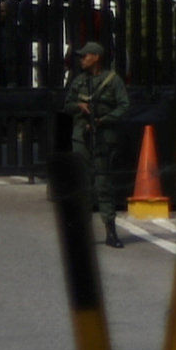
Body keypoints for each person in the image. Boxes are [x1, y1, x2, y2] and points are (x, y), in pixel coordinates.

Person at [63, 39, 132, 243]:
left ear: (97, 58)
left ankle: (111, 231)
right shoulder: (79, 81)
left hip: (103, 137)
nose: (82, 59)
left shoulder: (113, 81)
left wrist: (105, 119)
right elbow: (67, 105)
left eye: (86, 56)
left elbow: (124, 106)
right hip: (81, 138)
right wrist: (79, 106)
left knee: (103, 184)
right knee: (81, 183)